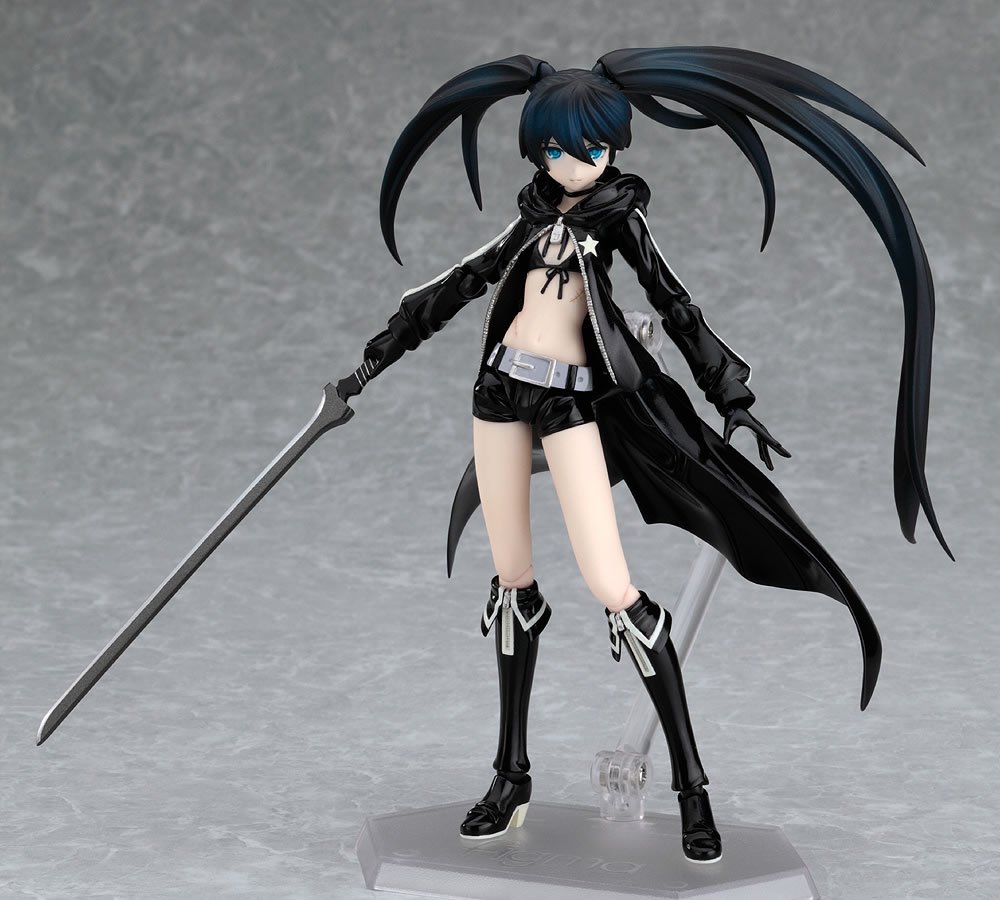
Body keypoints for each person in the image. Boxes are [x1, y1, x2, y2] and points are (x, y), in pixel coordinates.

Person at [336, 48, 951, 864]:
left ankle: (692, 789)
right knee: (512, 585)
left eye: (588, 148)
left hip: (569, 403)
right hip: (498, 396)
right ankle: (511, 775)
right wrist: (374, 359)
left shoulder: (617, 219)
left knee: (614, 588)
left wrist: (731, 394)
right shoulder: (530, 218)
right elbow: (459, 285)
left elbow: (674, 302)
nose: (572, 163)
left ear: (614, 147)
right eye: (556, 149)